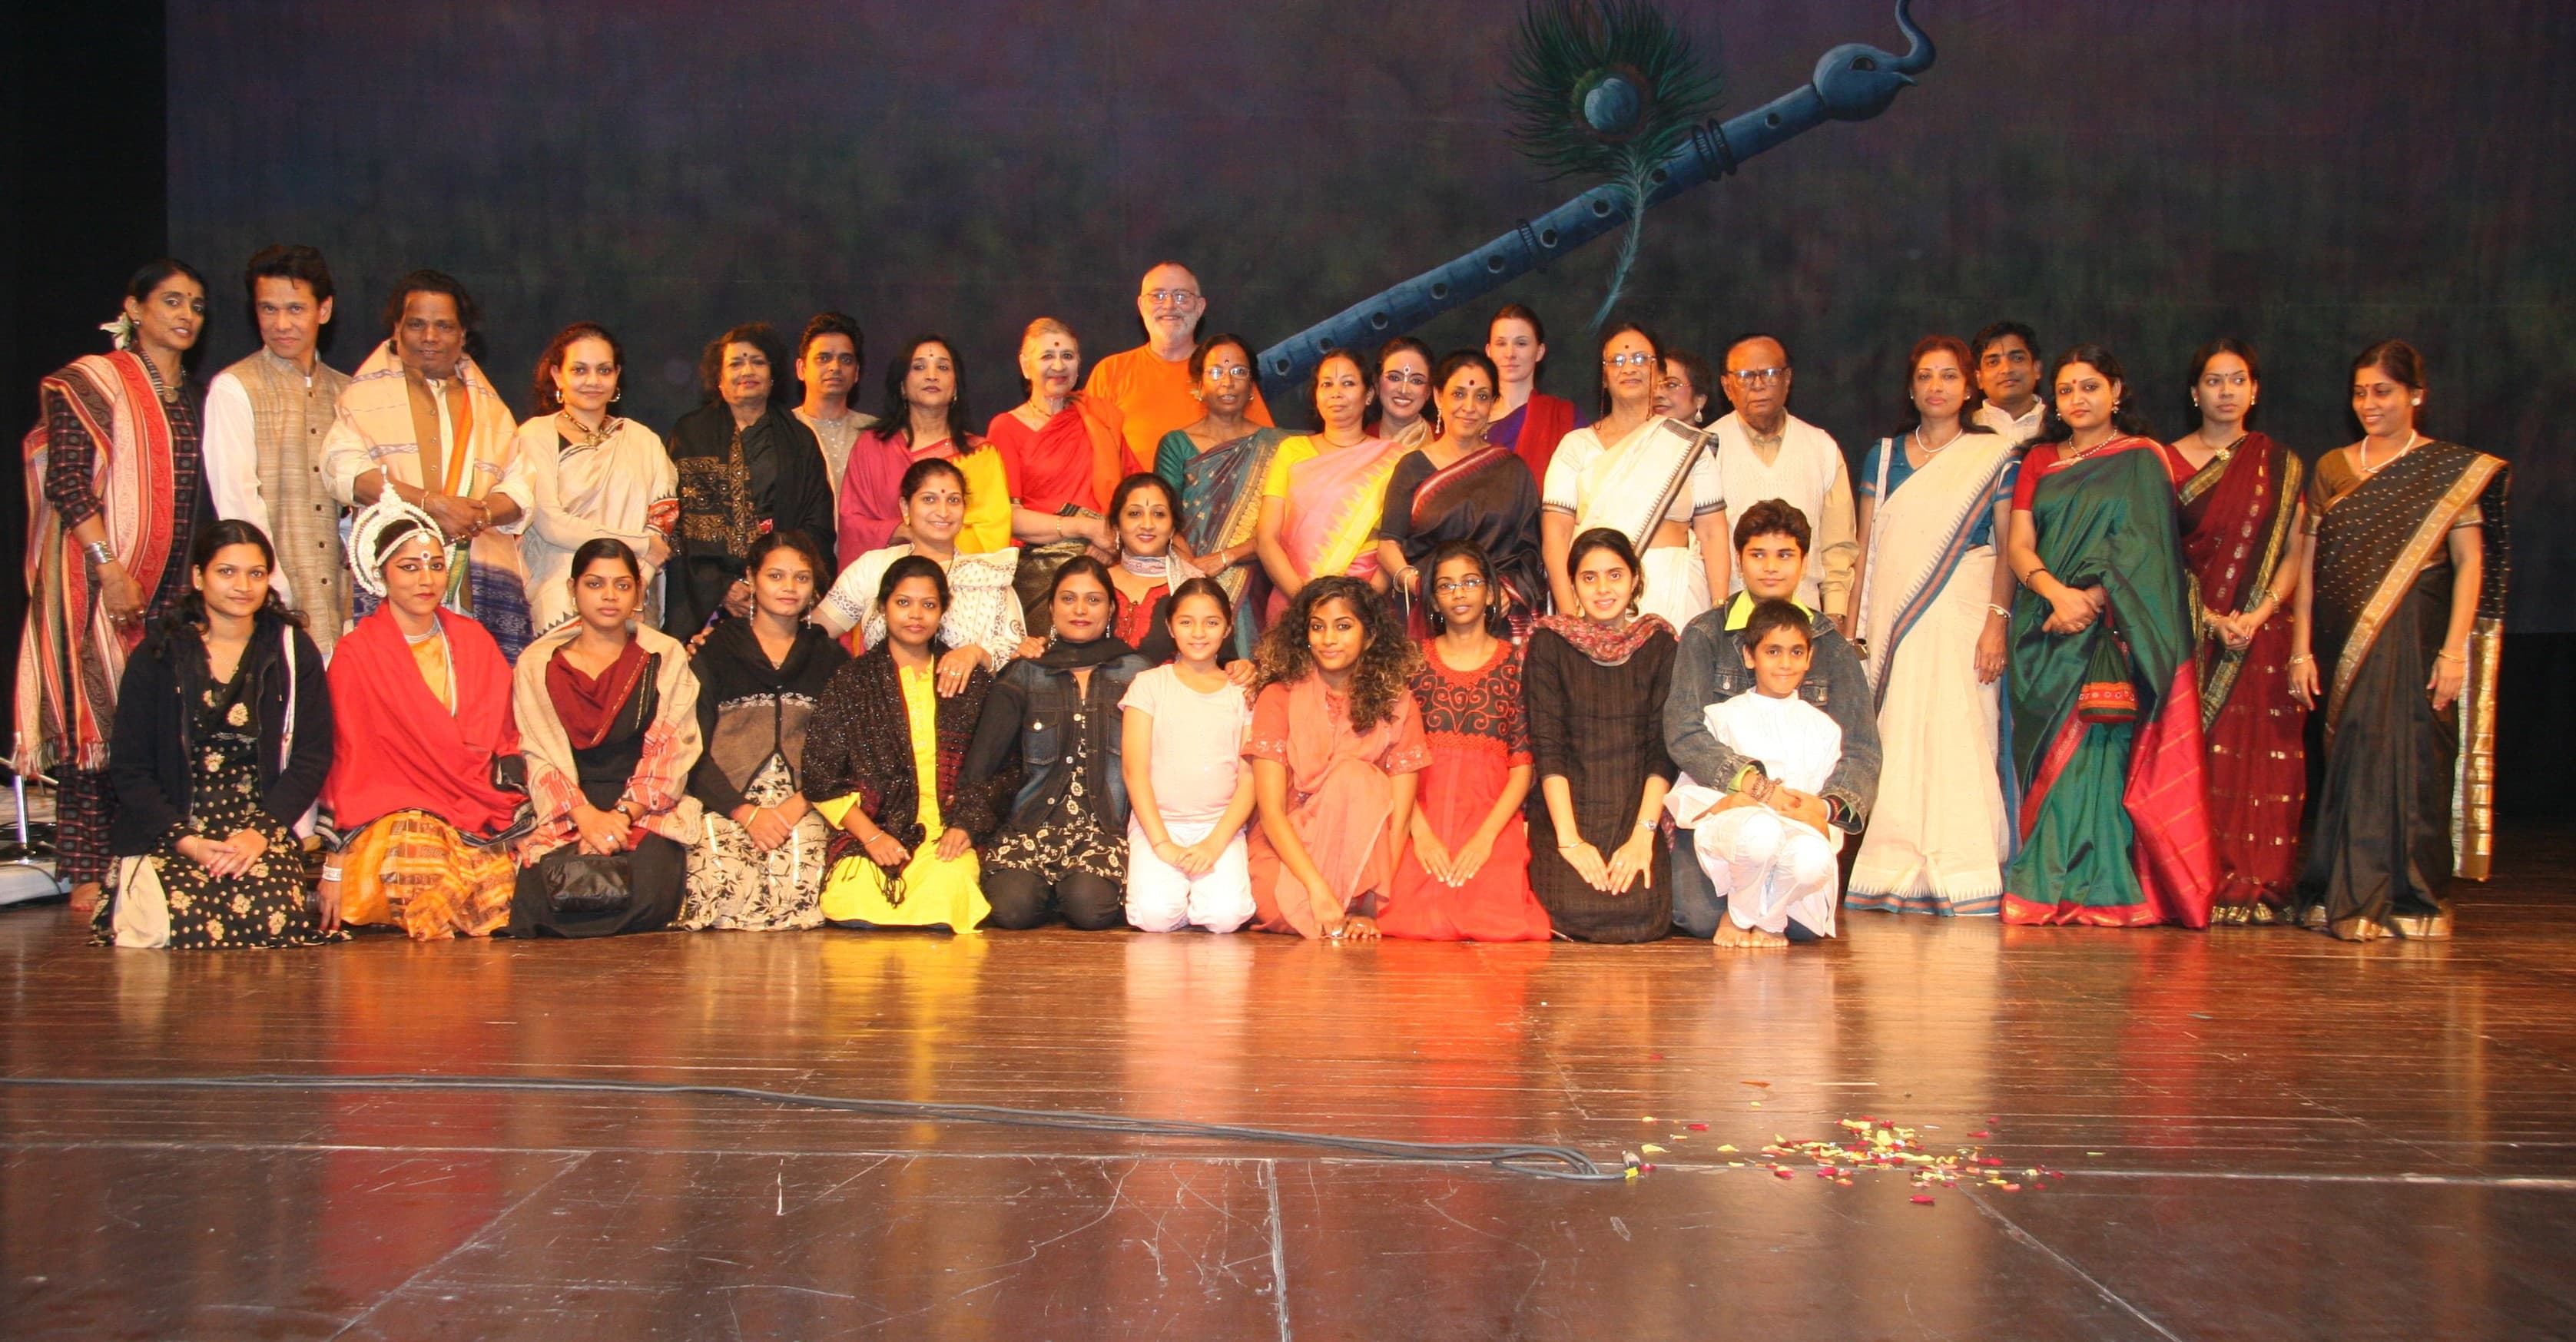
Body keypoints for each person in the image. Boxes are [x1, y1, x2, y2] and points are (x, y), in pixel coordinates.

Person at [2290, 340, 2508, 941]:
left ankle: (2411, 898)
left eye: (2381, 391)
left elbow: (2469, 564)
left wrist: (2454, 649)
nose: (2368, 403)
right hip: (2342, 642)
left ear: (2416, 395)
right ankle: (2346, 893)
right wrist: (2300, 648)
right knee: (2353, 762)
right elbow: (2309, 567)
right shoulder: (2333, 466)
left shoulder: (2446, 470)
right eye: (2359, 392)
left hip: (2417, 640)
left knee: (2413, 763)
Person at [16, 259, 213, 911]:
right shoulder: (91, 382)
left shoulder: (189, 395)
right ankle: (85, 867)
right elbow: (68, 482)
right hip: (98, 578)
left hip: (164, 585)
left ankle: (142, 855)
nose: (186, 315)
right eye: (172, 302)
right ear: (134, 308)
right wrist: (108, 567)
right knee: (94, 718)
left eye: (197, 306)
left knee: (151, 721)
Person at [2001, 343, 2214, 927]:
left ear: (2116, 390)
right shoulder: (2039, 460)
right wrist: (2055, 593)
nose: (2077, 399)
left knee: (2102, 757)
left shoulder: (2143, 459)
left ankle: (2106, 888)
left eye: (2090, 386)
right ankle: (2040, 882)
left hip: (2109, 632)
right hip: (2041, 631)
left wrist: (2092, 600)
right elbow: (2018, 545)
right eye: (2067, 390)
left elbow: (2145, 552)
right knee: (2046, 761)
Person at [98, 521, 337, 949]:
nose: (242, 586)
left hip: (256, 827)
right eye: (227, 572)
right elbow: (130, 768)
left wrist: (260, 832)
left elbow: (311, 756)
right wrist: (186, 842)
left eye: (256, 573)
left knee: (272, 918)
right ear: (197, 577)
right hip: (174, 826)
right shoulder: (158, 653)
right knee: (168, 923)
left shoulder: (291, 650)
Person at [1845, 336, 2017, 916]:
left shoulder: (1995, 455)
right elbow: (1866, 547)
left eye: (1949, 376)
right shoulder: (1884, 455)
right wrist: (1853, 625)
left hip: (1964, 612)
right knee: (1896, 732)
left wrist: (1996, 623)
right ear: (1911, 385)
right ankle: (1889, 867)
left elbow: (2008, 546)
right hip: (1893, 614)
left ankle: (1962, 871)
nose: (1936, 386)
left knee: (1960, 730)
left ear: (1970, 387)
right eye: (1925, 375)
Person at [1663, 501, 1881, 939]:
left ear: (1804, 563)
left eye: (1785, 556)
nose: (1771, 568)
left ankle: (1761, 910)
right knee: (1698, 919)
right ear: (1739, 560)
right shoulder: (1706, 634)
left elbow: (1862, 749)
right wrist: (1752, 786)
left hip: (1798, 819)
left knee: (1802, 929)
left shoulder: (1830, 645)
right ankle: (1746, 909)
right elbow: (1683, 731)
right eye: (1757, 554)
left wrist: (1825, 807)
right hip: (1722, 809)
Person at [319, 499, 528, 940]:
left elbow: (505, 738)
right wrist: (335, 864)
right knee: (422, 859)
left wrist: (517, 812)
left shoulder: (473, 641)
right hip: (388, 812)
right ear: (381, 575)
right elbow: (344, 759)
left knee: (502, 897)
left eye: (435, 565)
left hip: (474, 805)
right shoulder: (357, 655)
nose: (426, 579)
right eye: (409, 567)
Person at [320, 269, 534, 658]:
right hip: (394, 581)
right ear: (397, 329)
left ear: (463, 335)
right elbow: (344, 472)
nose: (430, 337)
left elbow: (520, 489)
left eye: (444, 326)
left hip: (471, 585)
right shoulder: (361, 399)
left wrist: (479, 515)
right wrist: (432, 506)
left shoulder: (491, 409)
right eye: (417, 324)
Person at [2169, 338, 2309, 923]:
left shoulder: (2281, 464)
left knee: (2262, 760)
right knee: (2190, 761)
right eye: (2213, 380)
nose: (2225, 391)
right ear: (2193, 390)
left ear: (2254, 389)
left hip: (2261, 632)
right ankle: (2191, 880)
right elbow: (2156, 550)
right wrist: (2207, 617)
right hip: (2184, 632)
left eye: (2236, 380)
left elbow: (2296, 547)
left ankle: (2256, 886)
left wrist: (2256, 612)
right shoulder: (2162, 460)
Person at [511, 538, 705, 936]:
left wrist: (618, 820)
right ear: (572, 590)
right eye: (595, 584)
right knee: (543, 893)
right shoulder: (536, 663)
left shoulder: (664, 657)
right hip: (568, 808)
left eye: (621, 585)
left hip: (642, 809)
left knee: (646, 892)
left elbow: (674, 750)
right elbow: (537, 752)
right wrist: (586, 820)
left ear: (639, 591)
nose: (609, 596)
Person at [801, 555, 999, 933]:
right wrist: (872, 837)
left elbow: (999, 767)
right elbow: (821, 774)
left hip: (948, 834)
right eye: (903, 603)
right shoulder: (852, 681)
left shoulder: (968, 683)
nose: (916, 615)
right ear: (882, 607)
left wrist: (968, 827)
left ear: (943, 611)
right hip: (873, 830)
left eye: (929, 605)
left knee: (944, 899)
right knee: (851, 901)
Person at [961, 557, 1150, 929]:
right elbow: (985, 762)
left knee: (1090, 910)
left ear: (1111, 608)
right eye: (1068, 599)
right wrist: (968, 822)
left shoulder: (1140, 673)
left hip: (1105, 829)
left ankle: (1068, 888)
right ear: (1051, 607)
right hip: (1032, 824)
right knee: (1011, 912)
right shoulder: (1025, 671)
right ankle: (1045, 888)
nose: (1080, 610)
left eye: (1093, 600)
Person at [1378, 542, 1550, 942]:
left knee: (1494, 919)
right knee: (1408, 916)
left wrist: (1486, 839)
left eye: (1471, 582)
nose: (1459, 593)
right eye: (1446, 585)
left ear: (1491, 592)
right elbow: (1391, 757)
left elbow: (1523, 766)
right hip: (1417, 808)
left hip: (1493, 812)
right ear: (1433, 599)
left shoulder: (1519, 661)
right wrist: (1417, 833)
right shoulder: (1411, 661)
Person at [1244, 575, 1429, 939]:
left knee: (1357, 777)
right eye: (1317, 627)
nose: (1328, 639)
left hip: (1363, 856)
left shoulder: (1397, 702)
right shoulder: (1277, 697)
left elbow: (1401, 817)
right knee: (1278, 910)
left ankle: (1354, 904)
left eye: (1343, 626)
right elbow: (1271, 812)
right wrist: (1318, 890)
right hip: (1289, 845)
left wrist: (1370, 906)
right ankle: (1333, 905)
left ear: (1370, 636)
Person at [679, 531, 846, 930]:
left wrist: (795, 806)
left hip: (805, 799)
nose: (789, 588)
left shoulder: (831, 658)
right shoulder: (713, 651)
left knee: (799, 883)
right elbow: (691, 747)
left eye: (801, 578)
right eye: (776, 576)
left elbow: (843, 750)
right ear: (751, 579)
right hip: (726, 798)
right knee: (720, 877)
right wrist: (744, 811)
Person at [1524, 529, 1679, 943]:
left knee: (1643, 912)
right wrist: (1570, 841)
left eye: (1615, 574)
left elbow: (1661, 750)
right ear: (1572, 584)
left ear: (1635, 579)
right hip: (1567, 811)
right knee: (1572, 907)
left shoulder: (1660, 642)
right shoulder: (1549, 642)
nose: (1603, 588)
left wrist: (1641, 839)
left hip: (1634, 811)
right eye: (1589, 578)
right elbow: (1548, 747)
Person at [1663, 599, 1845, 948]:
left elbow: (1822, 817)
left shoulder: (1824, 730)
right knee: (1761, 831)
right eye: (1773, 651)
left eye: (1796, 653)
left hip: (1793, 843)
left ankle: (1763, 915)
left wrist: (1817, 817)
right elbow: (1686, 795)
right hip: (1736, 837)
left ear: (1809, 659)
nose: (1785, 664)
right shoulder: (1720, 717)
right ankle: (1742, 914)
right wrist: (1729, 802)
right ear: (1750, 657)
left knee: (1814, 859)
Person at [203, 245, 353, 652]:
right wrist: (272, 587)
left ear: (323, 310)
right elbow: (237, 502)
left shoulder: (348, 392)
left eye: (295, 309)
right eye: (268, 310)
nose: (281, 324)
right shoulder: (235, 388)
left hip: (344, 610)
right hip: (271, 604)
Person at [1542, 323, 1731, 631]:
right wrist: (1572, 618)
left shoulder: (1686, 444)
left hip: (1678, 592)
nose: (1629, 368)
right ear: (1604, 377)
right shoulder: (1575, 446)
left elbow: (1713, 533)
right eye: (1617, 361)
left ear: (1659, 374)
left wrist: (1719, 610)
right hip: (1599, 598)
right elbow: (1556, 538)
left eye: (1641, 359)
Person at [663, 322, 838, 635]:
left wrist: (774, 581)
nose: (748, 370)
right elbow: (678, 522)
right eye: (736, 363)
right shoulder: (691, 434)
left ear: (772, 377)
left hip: (782, 589)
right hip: (707, 599)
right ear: (719, 379)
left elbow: (817, 520)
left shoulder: (799, 439)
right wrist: (722, 587)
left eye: (758, 361)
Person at [512, 323, 678, 631]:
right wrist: (639, 544)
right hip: (559, 597)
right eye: (579, 370)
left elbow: (661, 525)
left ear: (617, 376)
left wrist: (633, 586)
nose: (593, 381)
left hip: (635, 594)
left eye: (604, 370)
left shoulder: (643, 440)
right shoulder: (534, 435)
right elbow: (551, 524)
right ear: (557, 375)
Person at [1119, 578, 1258, 933]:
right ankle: (1180, 899)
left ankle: (1199, 897)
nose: (1199, 633)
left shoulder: (1242, 691)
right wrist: (1162, 843)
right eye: (1186, 622)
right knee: (1154, 918)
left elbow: (1249, 777)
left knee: (1225, 917)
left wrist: (1215, 843)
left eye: (1211, 622)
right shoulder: (1149, 684)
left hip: (1219, 826)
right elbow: (1135, 771)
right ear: (1170, 627)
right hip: (1159, 823)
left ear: (1228, 628)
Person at [1376, 351, 1547, 638]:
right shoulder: (1412, 466)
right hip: (1429, 614)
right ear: (1438, 396)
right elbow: (1388, 545)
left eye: (1481, 397)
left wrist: (1505, 588)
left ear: (1493, 404)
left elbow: (1531, 552)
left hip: (1497, 616)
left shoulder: (1513, 470)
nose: (1469, 407)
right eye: (1458, 394)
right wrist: (1422, 586)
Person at [815, 457, 1023, 691]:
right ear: (905, 507)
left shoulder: (988, 576)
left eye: (953, 500)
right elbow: (816, 634)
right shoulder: (874, 567)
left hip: (968, 715)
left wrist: (975, 654)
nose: (943, 512)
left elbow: (1015, 654)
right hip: (882, 709)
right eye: (929, 499)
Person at [990, 318, 1137, 635]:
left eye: (1068, 356)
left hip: (1107, 564)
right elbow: (1005, 517)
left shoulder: (1099, 419)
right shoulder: (1006, 427)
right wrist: (1085, 527)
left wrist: (1109, 534)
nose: (1059, 365)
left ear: (1079, 364)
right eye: (1047, 357)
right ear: (1025, 365)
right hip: (1039, 571)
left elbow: (1135, 494)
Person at [1711, 334, 1857, 625]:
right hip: (1729, 622)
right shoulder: (1705, 449)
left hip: (1805, 621)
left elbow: (1838, 547)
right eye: (1744, 376)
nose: (1758, 384)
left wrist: (1835, 615)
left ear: (1788, 378)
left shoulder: (1821, 447)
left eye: (1769, 373)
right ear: (1727, 386)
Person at [1160, 333, 1289, 657]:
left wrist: (1227, 557)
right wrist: (1192, 571)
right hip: (1188, 577)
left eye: (1239, 372)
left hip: (1256, 579)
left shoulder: (1281, 447)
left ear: (1252, 386)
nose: (1228, 382)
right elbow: (1165, 516)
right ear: (1198, 385)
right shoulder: (1176, 444)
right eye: (1216, 372)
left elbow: (1284, 525)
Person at [1254, 348, 1404, 621]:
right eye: (1327, 384)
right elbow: (1266, 539)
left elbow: (1397, 540)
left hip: (1365, 603)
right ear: (1316, 394)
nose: (1336, 393)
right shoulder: (1291, 450)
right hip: (1294, 603)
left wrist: (1365, 604)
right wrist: (1306, 601)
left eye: (1348, 383)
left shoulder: (1394, 458)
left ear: (1369, 394)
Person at [1084, 261, 1275, 469]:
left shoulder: (1227, 374)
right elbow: (1085, 457)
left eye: (1181, 296)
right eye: (1157, 296)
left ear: (1200, 307)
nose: (1169, 306)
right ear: (1141, 306)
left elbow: (1267, 456)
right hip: (1131, 500)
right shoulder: (1111, 372)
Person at [840, 334, 1009, 558]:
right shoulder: (871, 447)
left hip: (960, 581)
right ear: (902, 386)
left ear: (956, 386)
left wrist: (931, 544)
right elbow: (852, 524)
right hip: (885, 579)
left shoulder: (980, 454)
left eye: (943, 367)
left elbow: (991, 534)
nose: (932, 376)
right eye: (919, 367)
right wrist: (901, 531)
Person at [1098, 472, 1208, 664]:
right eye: (1135, 514)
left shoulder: (1196, 589)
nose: (1147, 525)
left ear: (1173, 527)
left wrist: (1240, 668)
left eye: (1159, 514)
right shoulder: (1094, 584)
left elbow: (1224, 662)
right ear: (1116, 525)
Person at [1484, 304, 1581, 485]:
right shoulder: (1469, 416)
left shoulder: (1563, 417)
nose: (1510, 354)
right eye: (1501, 343)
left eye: (1521, 343)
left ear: (1539, 351)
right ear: (1489, 351)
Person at [790, 312, 879, 492]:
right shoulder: (782, 429)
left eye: (846, 360)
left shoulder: (876, 433)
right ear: (801, 369)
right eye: (823, 358)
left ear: (856, 373)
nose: (835, 367)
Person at [1971, 321, 2047, 444]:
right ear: (1979, 378)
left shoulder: (2061, 427)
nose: (2006, 369)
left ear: (2037, 369)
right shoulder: (1963, 431)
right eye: (1993, 362)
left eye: (2017, 358)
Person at [1368, 336, 1439, 450]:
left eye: (1416, 381)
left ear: (1428, 391)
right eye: (1394, 378)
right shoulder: (1358, 448)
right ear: (1377, 383)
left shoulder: (1446, 445)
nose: (1404, 390)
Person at [1654, 349, 1714, 429]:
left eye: (1671, 385)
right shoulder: (1635, 440)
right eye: (1653, 385)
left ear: (1700, 399)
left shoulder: (1714, 440)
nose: (1657, 394)